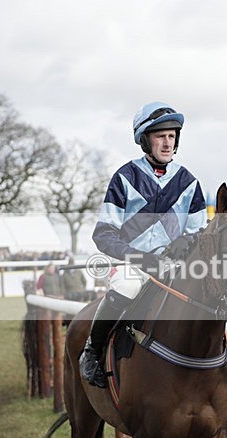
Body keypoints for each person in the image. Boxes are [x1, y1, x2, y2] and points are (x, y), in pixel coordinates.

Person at [80, 102, 207, 388]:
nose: (167, 143)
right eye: (160, 136)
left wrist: (186, 241)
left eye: (172, 136)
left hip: (174, 268)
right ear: (145, 140)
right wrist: (138, 258)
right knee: (126, 287)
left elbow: (199, 232)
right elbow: (104, 234)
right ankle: (92, 351)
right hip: (133, 267)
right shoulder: (125, 177)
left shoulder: (189, 182)